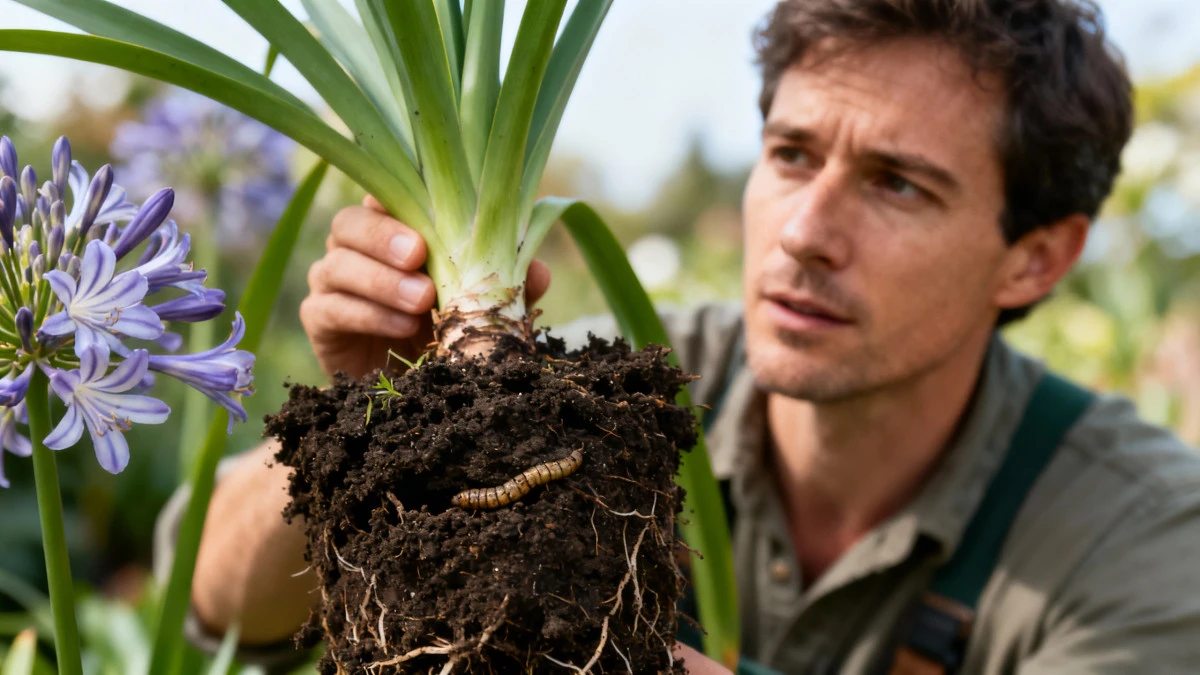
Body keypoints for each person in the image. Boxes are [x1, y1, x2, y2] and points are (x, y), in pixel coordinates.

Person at [158, 0, 1200, 673]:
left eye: (896, 184)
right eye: (791, 156)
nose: (804, 234)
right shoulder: (609, 397)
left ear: (1038, 257)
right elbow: (208, 598)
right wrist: (371, 425)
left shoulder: (1142, 535)